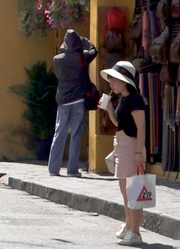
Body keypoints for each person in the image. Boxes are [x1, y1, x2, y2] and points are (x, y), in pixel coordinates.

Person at [99, 61, 146, 246]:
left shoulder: (135, 99)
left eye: (114, 79)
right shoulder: (125, 99)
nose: (111, 82)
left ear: (124, 80)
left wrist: (139, 151)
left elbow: (141, 127)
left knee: (133, 190)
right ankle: (129, 226)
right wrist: (110, 110)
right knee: (125, 190)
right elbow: (120, 124)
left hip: (130, 146)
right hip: (122, 145)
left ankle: (135, 231)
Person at [48, 29, 97, 177]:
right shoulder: (82, 57)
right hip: (79, 101)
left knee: (59, 134)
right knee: (76, 135)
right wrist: (85, 41)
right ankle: (72, 170)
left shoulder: (57, 59)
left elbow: (57, 75)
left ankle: (53, 169)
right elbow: (94, 50)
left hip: (63, 101)